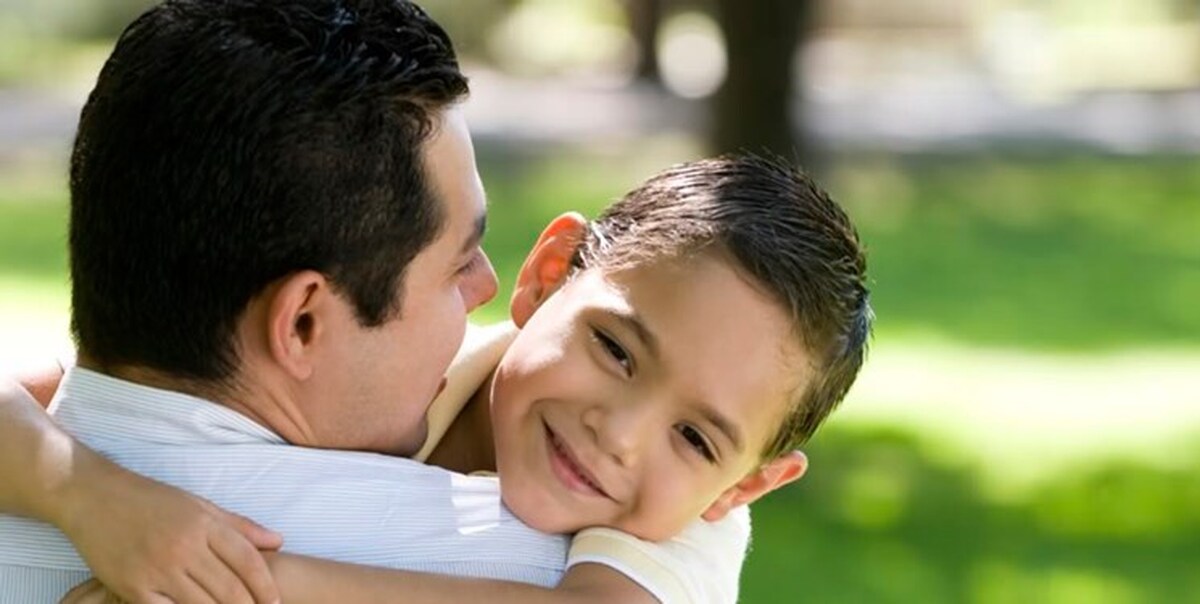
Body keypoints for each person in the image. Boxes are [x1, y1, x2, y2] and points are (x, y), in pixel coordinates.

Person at [0, 1, 874, 603]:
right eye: (456, 266)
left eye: (696, 438)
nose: (621, 433)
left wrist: (254, 581)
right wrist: (88, 497)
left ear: (743, 485)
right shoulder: (451, 425)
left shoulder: (664, 543)